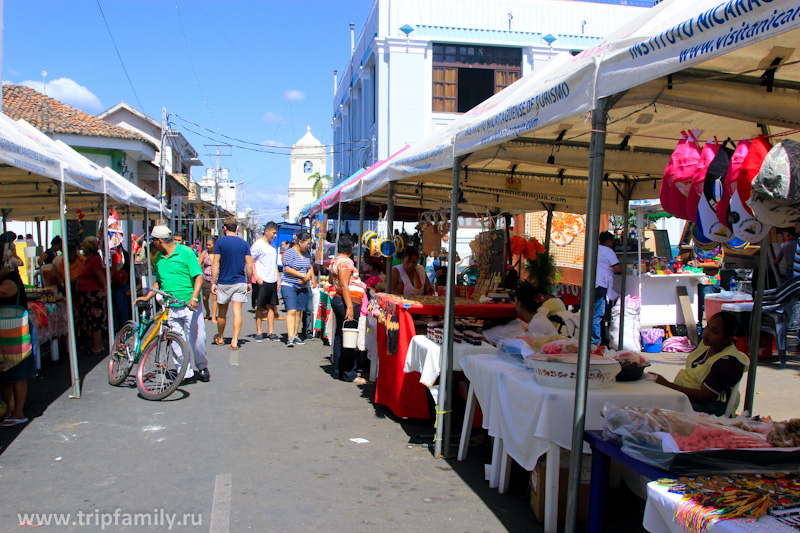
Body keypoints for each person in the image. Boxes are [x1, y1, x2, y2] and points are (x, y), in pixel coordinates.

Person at [135, 226, 209, 385]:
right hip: (171, 306)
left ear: (159, 241)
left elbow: (199, 276)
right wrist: (148, 296)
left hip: (190, 305)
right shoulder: (160, 258)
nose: (151, 244)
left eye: (153, 241)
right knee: (176, 341)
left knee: (198, 339)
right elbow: (159, 281)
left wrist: (194, 298)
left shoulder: (185, 253)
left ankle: (202, 366)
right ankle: (185, 372)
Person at [652, 311, 748, 415]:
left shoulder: (728, 362)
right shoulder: (707, 345)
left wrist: (666, 384)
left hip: (710, 409)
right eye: (708, 327)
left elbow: (704, 397)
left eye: (715, 331)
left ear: (727, 339)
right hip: (686, 397)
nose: (707, 333)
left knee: (656, 408)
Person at [0, 240, 35, 426]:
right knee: (5, 376)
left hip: (15, 334)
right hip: (4, 335)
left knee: (17, 374)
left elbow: (5, 293)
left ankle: (18, 412)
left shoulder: (11, 278)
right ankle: (7, 410)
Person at [330, 235, 368, 384]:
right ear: (352, 248)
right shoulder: (345, 262)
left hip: (342, 299)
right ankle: (349, 373)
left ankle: (339, 371)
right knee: (349, 338)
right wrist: (350, 307)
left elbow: (336, 281)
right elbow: (345, 285)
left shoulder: (336, 260)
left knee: (341, 335)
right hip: (347, 301)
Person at [212, 217, 253, 350]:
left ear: (224, 228)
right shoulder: (244, 244)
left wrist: (213, 281)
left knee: (222, 313)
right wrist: (249, 281)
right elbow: (249, 265)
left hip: (224, 281)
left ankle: (221, 337)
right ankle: (235, 341)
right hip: (239, 281)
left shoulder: (219, 243)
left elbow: (216, 263)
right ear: (236, 228)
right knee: (237, 312)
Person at [482, 282, 549, 346]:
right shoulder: (537, 319)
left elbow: (532, 349)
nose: (514, 305)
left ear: (519, 303)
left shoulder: (537, 323)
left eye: (515, 301)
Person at [281, 232, 313, 347]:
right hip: (289, 284)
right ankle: (290, 337)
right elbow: (287, 269)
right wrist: (302, 276)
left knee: (299, 311)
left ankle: (295, 335)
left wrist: (307, 277)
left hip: (303, 286)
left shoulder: (307, 253)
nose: (308, 246)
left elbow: (309, 267)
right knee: (292, 310)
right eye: (307, 243)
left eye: (310, 244)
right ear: (300, 242)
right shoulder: (290, 252)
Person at [77, 236, 107, 355]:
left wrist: (104, 291)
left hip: (93, 295)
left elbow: (101, 279)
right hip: (89, 294)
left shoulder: (94, 261)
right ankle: (98, 345)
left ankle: (97, 346)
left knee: (95, 321)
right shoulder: (90, 260)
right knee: (94, 321)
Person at [251, 222, 281, 342]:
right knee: (260, 307)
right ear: (266, 231)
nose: (274, 235)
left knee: (271, 307)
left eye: (276, 233)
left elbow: (273, 264)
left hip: (272, 279)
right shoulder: (258, 244)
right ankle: (259, 332)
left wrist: (278, 279)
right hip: (262, 281)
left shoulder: (273, 246)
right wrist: (256, 276)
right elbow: (250, 261)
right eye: (273, 233)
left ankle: (270, 332)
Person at [688, 245, 724, 333]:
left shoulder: (717, 249)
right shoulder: (700, 248)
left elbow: (716, 264)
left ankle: (712, 330)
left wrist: (699, 265)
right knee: (697, 305)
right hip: (698, 280)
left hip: (710, 281)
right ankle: (698, 330)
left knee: (708, 307)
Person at [593, 231, 621, 346]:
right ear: (609, 241)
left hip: (593, 282)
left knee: (594, 312)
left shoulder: (594, 248)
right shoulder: (608, 251)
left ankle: (598, 338)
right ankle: (595, 341)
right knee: (598, 313)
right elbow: (618, 268)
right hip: (602, 283)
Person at [198, 237, 217, 322]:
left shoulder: (217, 253)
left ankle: (213, 316)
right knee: (205, 298)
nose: (208, 246)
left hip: (216, 278)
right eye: (207, 244)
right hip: (205, 277)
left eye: (210, 245)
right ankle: (208, 312)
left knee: (214, 298)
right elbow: (199, 264)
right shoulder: (204, 253)